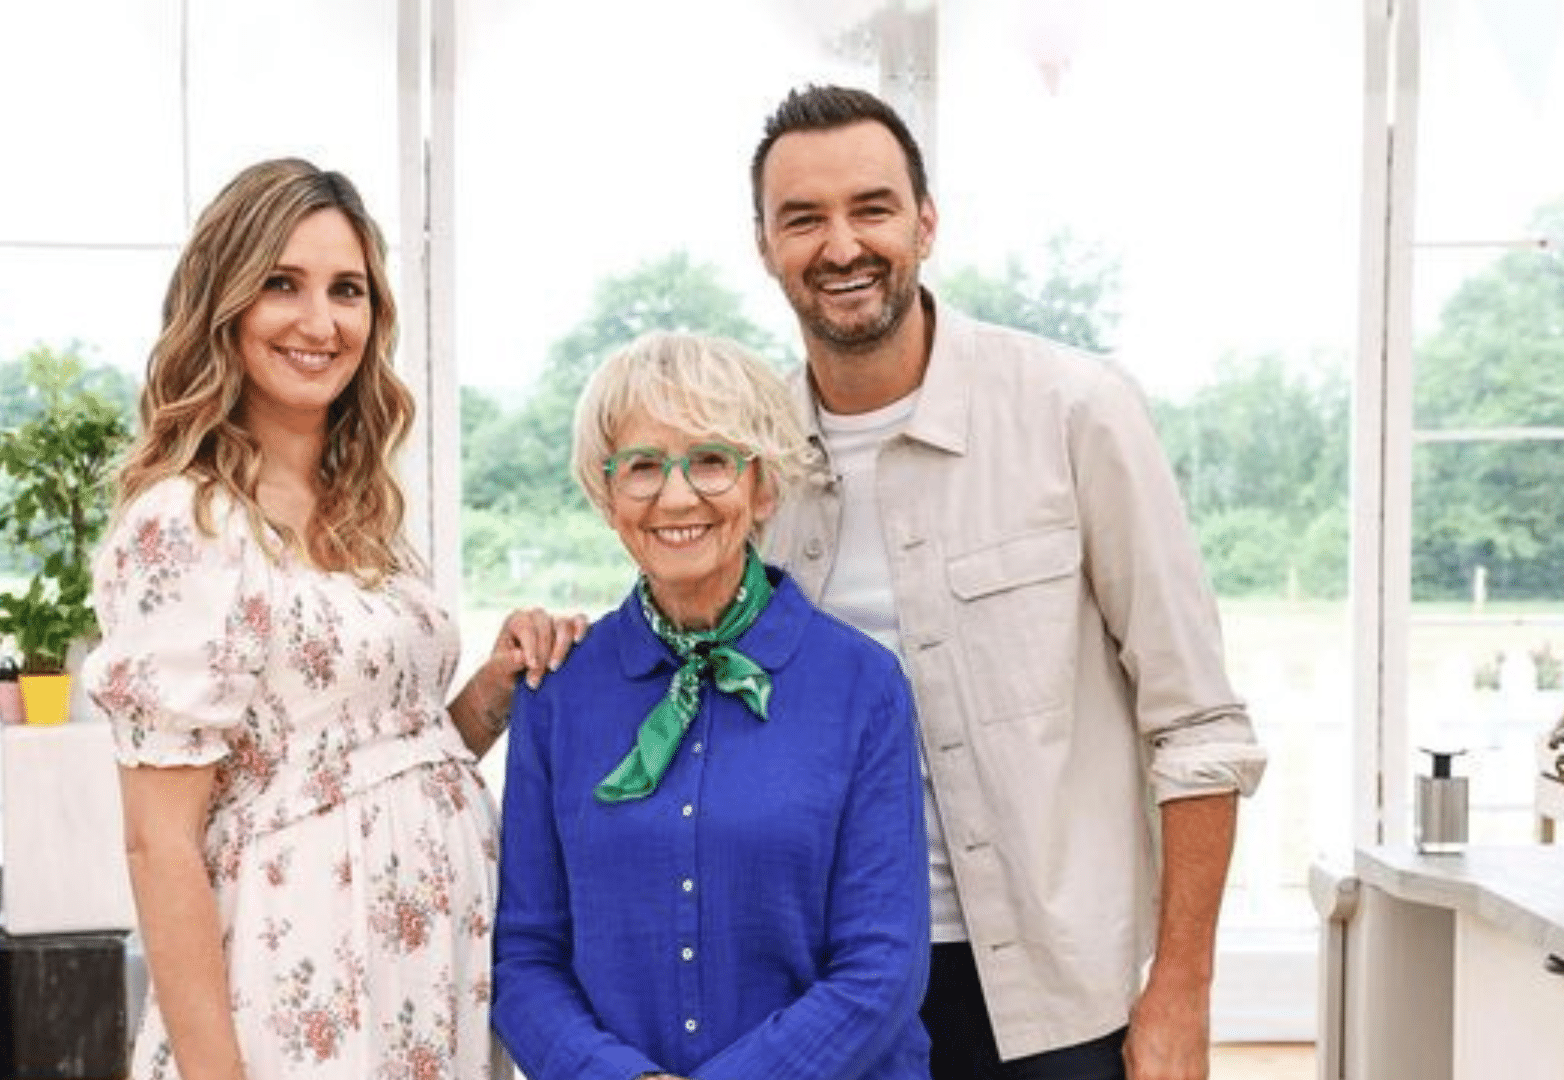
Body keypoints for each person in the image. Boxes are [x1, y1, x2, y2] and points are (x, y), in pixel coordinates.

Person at [749, 86, 1270, 1080]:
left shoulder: (1077, 411)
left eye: (872, 208)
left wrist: (1182, 991)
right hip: (829, 987)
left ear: (926, 222)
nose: (841, 245)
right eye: (803, 218)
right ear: (766, 245)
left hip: (1056, 992)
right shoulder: (748, 457)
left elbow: (1198, 725)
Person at [82, 157, 583, 1080]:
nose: (321, 322)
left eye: (346, 290)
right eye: (282, 284)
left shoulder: (365, 511)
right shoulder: (186, 522)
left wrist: (493, 686)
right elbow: (159, 841)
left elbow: (375, 761)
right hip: (293, 979)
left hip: (428, 982)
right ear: (221, 303)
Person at [492, 331, 932, 1080]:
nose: (675, 495)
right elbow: (526, 955)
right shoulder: (557, 692)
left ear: (763, 486)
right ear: (607, 496)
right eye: (641, 466)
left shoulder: (863, 685)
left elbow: (883, 964)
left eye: (710, 460)